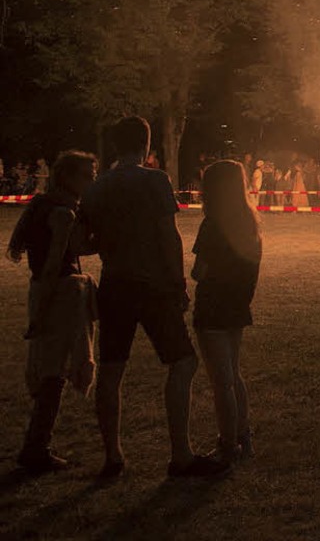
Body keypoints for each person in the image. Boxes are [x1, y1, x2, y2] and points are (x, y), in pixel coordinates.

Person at [81, 115, 224, 479]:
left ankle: (112, 456)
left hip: (114, 284)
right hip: (152, 286)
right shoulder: (155, 181)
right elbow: (168, 234)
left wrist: (109, 242)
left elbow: (81, 241)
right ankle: (181, 455)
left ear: (115, 146)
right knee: (183, 362)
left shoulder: (98, 186)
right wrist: (178, 283)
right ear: (146, 146)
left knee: (112, 371)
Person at [8, 150, 98, 473]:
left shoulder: (45, 206)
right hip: (58, 292)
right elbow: (54, 262)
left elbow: (73, 250)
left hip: (49, 290)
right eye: (88, 175)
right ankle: (36, 447)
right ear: (69, 178)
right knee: (53, 375)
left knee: (51, 371)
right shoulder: (63, 214)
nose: (93, 181)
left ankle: (36, 444)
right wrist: (42, 309)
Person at [192, 160, 262, 468]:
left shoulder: (213, 225)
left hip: (213, 307)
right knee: (234, 374)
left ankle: (228, 444)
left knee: (221, 382)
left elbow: (199, 271)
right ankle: (243, 436)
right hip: (237, 306)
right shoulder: (250, 222)